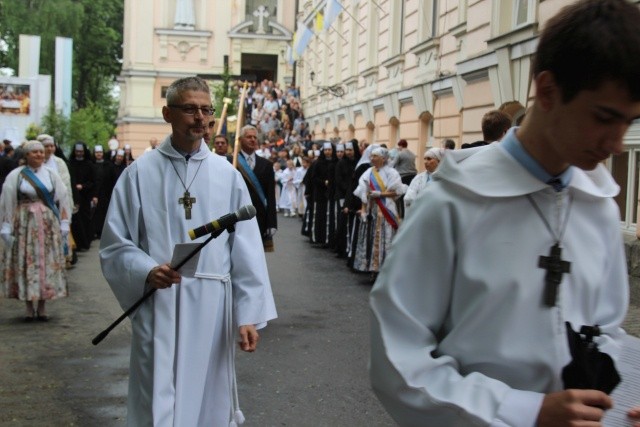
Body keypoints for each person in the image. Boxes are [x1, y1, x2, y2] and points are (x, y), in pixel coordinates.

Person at [369, 1, 640, 425]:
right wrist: (526, 412)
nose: (618, 143)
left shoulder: (599, 206)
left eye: (629, 122)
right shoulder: (454, 202)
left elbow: (604, 330)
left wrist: (613, 401)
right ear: (548, 91)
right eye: (604, 117)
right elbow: (398, 361)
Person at [99, 76, 277, 426]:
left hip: (212, 304)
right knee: (156, 390)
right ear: (168, 113)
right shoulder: (139, 173)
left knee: (209, 392)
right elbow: (116, 242)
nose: (200, 117)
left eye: (206, 110)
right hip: (159, 299)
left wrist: (247, 315)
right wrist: (146, 270)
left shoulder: (227, 176)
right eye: (190, 109)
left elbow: (247, 249)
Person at [0, 140, 70, 321]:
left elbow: (62, 199)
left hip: (46, 225)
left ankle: (43, 305)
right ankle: (29, 307)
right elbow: (7, 202)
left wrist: (64, 222)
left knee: (45, 262)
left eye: (41, 152)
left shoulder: (51, 174)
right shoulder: (16, 176)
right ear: (27, 155)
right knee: (28, 261)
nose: (39, 155)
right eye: (35, 152)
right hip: (24, 224)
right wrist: (6, 225)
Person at [352, 147, 405, 278]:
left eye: (375, 156)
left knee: (384, 238)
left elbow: (397, 191)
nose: (372, 158)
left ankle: (385, 270)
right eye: (371, 156)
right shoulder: (368, 172)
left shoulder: (392, 173)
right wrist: (363, 210)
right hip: (372, 210)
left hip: (385, 209)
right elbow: (363, 193)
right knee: (371, 237)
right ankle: (372, 268)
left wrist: (381, 194)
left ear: (383, 158)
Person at [234, 124, 277, 252]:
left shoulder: (267, 164)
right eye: (248, 137)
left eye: (254, 137)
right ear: (241, 139)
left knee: (257, 256)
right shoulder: (232, 162)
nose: (252, 139)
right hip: (238, 217)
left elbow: (270, 196)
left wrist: (272, 223)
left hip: (260, 218)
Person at [68, 142, 96, 251]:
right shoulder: (70, 163)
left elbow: (93, 181)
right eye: (77, 151)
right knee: (75, 220)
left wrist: (83, 186)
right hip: (74, 196)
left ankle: (85, 242)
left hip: (85, 196)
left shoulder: (89, 164)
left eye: (81, 152)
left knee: (85, 219)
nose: (79, 153)